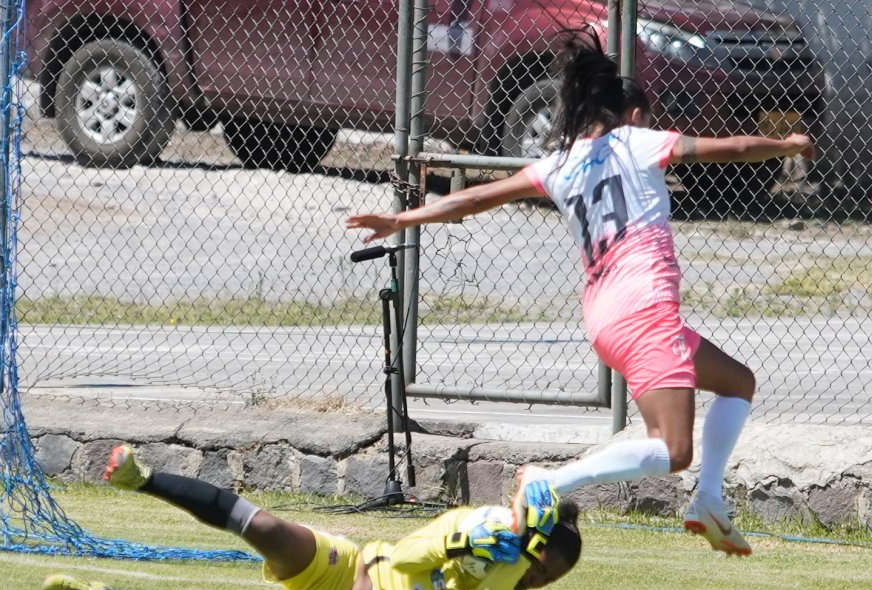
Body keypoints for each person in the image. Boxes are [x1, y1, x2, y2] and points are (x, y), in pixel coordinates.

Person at [346, 31, 816, 557]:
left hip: (606, 317)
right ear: (632, 116)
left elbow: (475, 197)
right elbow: (734, 148)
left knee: (737, 382)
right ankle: (552, 481)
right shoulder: (637, 142)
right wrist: (787, 145)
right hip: (644, 309)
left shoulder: (559, 164)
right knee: (673, 449)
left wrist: (402, 219)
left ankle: (709, 498)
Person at [40, 444, 581, 590]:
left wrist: (516, 553)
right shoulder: (474, 526)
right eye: (542, 567)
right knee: (265, 527)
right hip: (344, 571)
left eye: (546, 579)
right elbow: (406, 558)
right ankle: (143, 478)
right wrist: (462, 541)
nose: (537, 581)